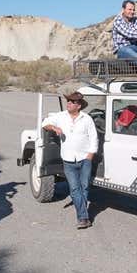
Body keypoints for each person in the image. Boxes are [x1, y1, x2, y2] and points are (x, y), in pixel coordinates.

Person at [41, 92, 98, 229]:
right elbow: (45, 123)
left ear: (78, 106)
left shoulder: (86, 119)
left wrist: (90, 154)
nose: (69, 103)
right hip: (68, 160)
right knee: (74, 189)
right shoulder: (60, 117)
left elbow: (94, 137)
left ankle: (82, 215)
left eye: (72, 102)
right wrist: (54, 127)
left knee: (84, 187)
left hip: (85, 158)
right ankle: (83, 217)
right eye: (68, 101)